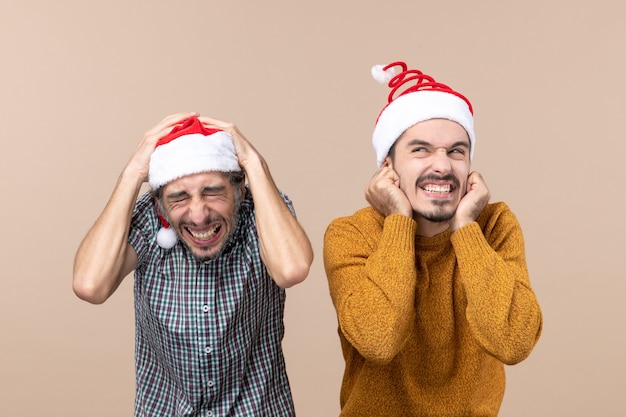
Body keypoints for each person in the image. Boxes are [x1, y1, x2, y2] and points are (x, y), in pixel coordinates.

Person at [323, 62, 543, 416]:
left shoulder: (494, 224)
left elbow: (514, 341)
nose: (442, 166)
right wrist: (398, 219)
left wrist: (466, 228)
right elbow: (379, 340)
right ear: (387, 169)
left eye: (456, 151)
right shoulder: (351, 233)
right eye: (421, 150)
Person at [73, 113, 314, 416]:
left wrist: (254, 163)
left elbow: (292, 269)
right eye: (179, 198)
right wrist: (132, 174)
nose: (199, 215)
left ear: (239, 190)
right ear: (160, 204)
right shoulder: (150, 220)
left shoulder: (262, 212)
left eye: (213, 192)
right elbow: (90, 284)